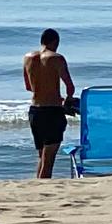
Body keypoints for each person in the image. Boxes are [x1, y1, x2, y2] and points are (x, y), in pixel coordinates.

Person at [22, 28, 76, 178]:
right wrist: (67, 99)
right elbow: (70, 87)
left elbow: (29, 87)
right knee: (49, 159)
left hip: (35, 111)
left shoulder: (27, 58)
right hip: (52, 112)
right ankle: (43, 187)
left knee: (42, 156)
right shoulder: (57, 58)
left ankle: (38, 185)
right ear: (55, 42)